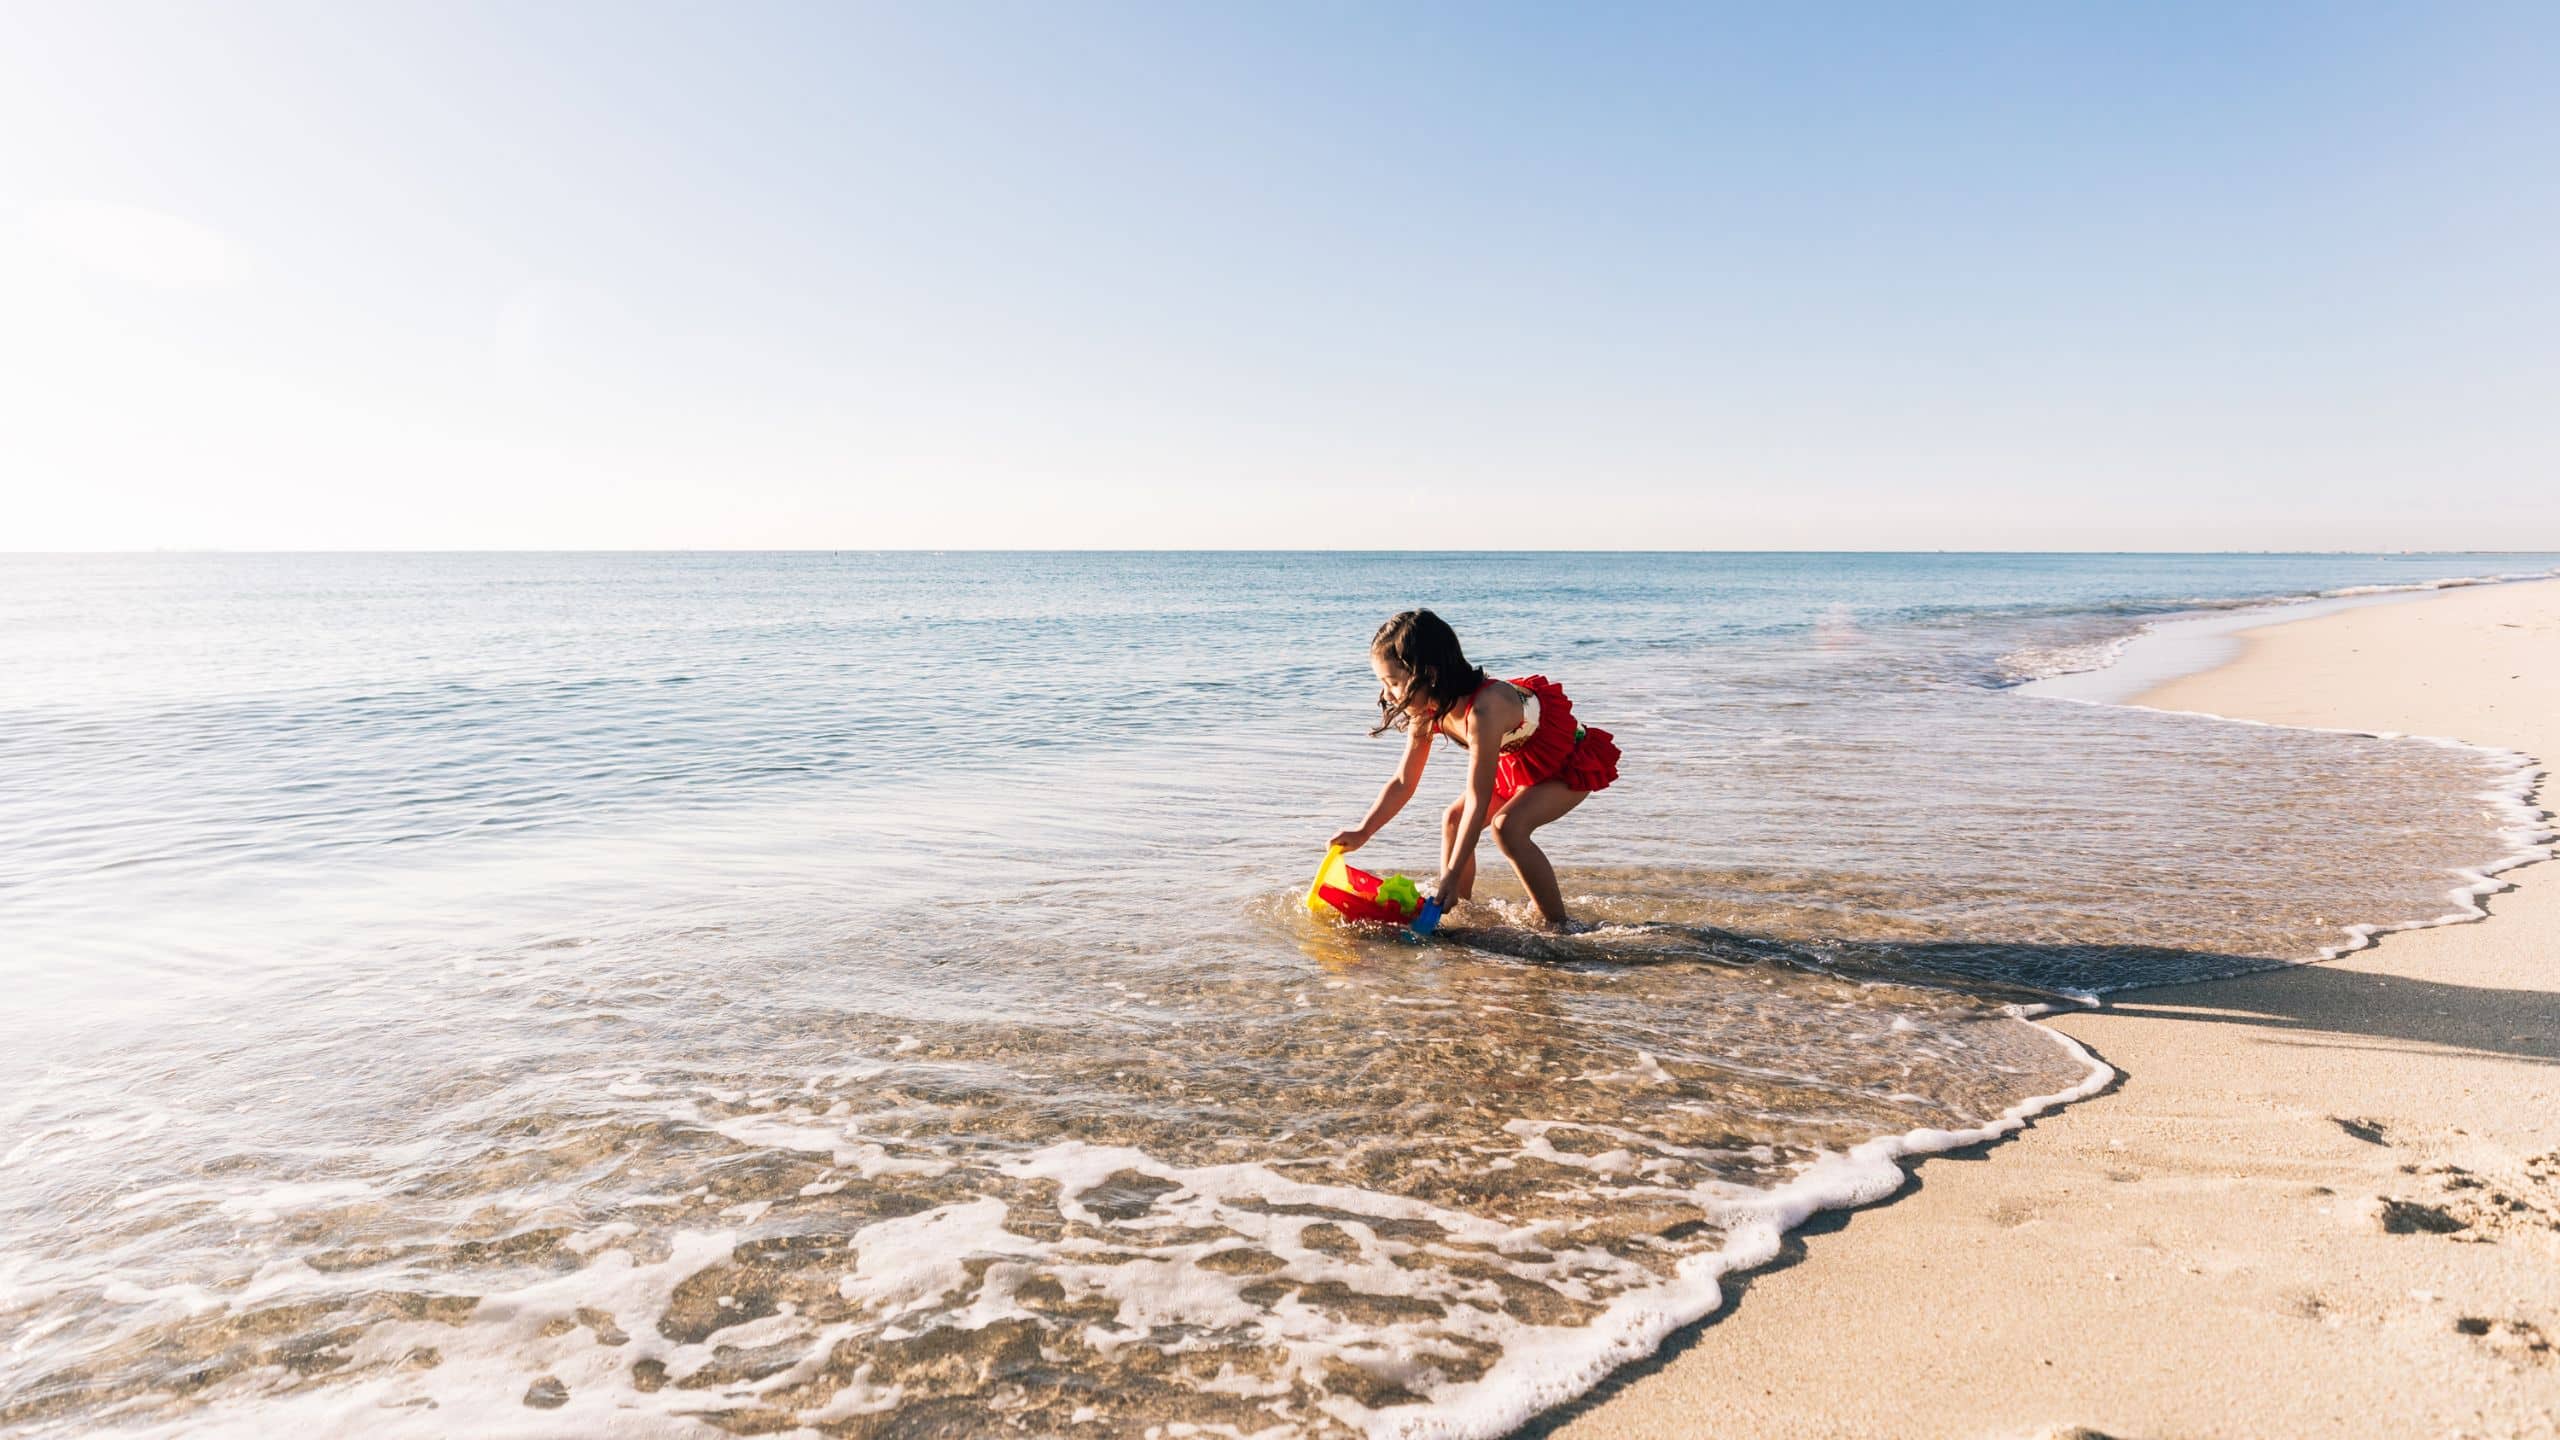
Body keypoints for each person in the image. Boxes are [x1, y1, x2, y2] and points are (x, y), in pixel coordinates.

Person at [1327, 609, 1620, 927]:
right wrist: (1363, 831)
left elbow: (1478, 799)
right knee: (1452, 819)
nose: (1387, 694)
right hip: (1518, 765)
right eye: (1383, 683)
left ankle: (1559, 926)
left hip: (1566, 762)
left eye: (1393, 682)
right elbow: (1403, 781)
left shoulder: (1485, 709)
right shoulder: (1426, 712)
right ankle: (1455, 910)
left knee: (1507, 828)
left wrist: (1450, 873)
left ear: (1430, 674)